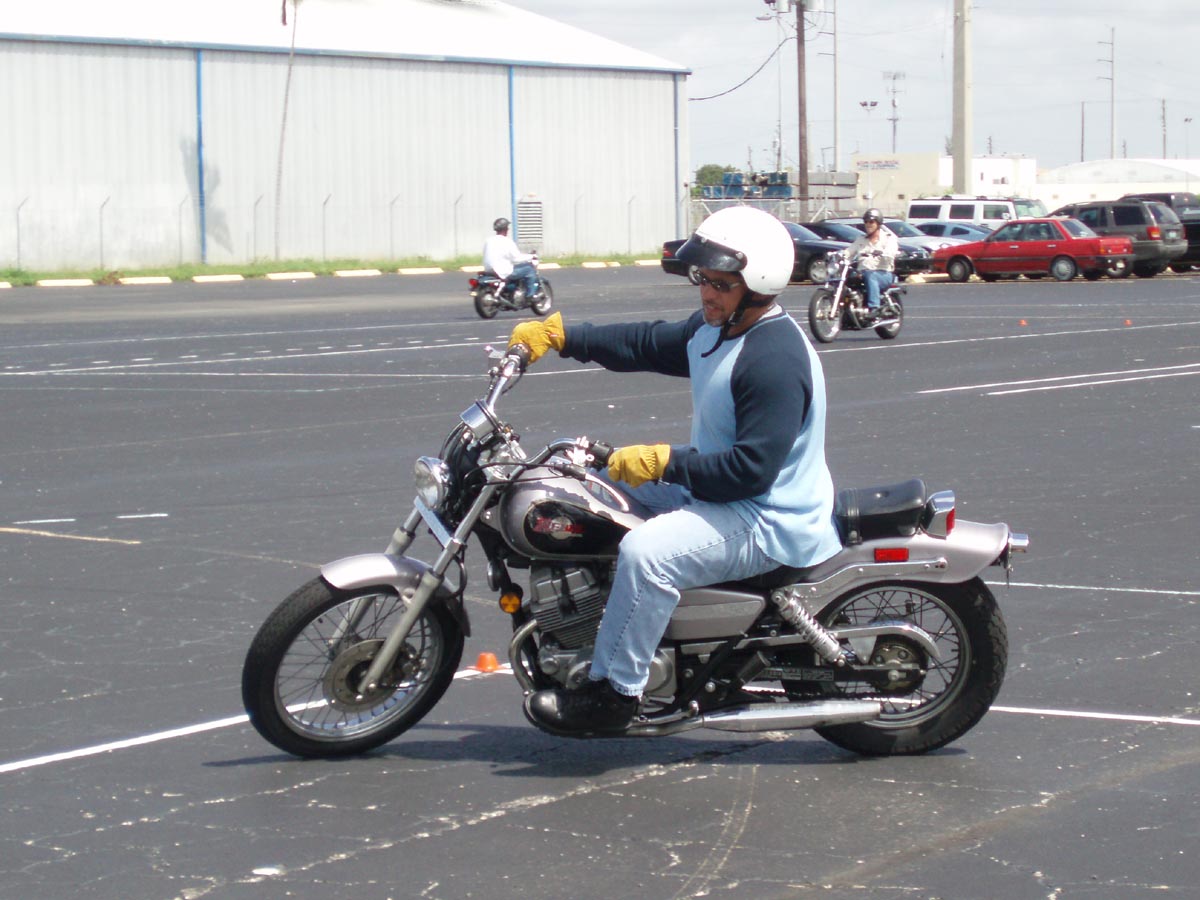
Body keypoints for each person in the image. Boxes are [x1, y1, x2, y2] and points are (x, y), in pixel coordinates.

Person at [506, 206, 843, 736]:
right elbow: (644, 342)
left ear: (757, 285)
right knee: (590, 489)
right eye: (702, 279)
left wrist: (665, 462)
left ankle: (615, 693)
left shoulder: (772, 359)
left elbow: (750, 472)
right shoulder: (718, 329)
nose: (706, 292)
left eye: (721, 284)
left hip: (768, 518)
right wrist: (563, 336)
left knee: (647, 555)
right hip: (725, 493)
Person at [843, 208, 898, 316]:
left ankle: (874, 308)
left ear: (878, 223)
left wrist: (884, 253)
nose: (868, 224)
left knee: (871, 275)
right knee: (847, 277)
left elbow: (891, 252)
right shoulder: (861, 239)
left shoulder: (888, 238)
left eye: (871, 221)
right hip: (863, 272)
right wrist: (841, 255)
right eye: (866, 221)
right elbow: (850, 251)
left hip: (883, 273)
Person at [482, 217, 541, 300]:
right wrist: (531, 256)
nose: (508, 229)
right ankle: (530, 296)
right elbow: (516, 258)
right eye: (507, 227)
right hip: (502, 270)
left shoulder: (488, 240)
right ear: (505, 229)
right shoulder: (507, 241)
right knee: (529, 269)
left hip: (489, 270)